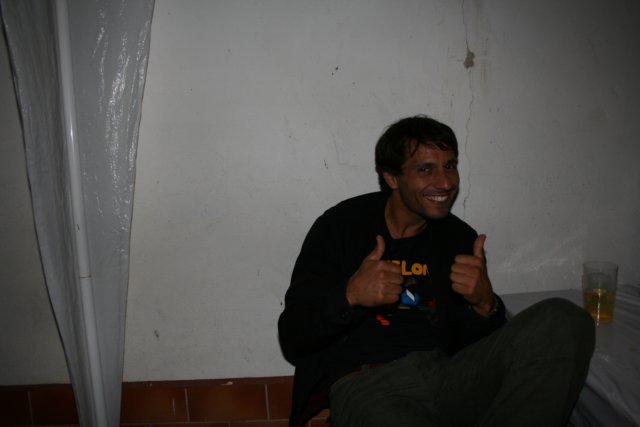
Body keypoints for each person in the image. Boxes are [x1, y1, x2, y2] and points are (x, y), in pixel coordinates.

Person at [278, 115, 595, 427]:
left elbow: (471, 344)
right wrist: (350, 296)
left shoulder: (459, 239)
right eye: (426, 169)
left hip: (448, 376)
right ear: (392, 178)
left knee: (563, 319)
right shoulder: (341, 226)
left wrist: (485, 306)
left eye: (450, 165)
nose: (446, 183)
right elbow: (293, 336)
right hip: (368, 385)